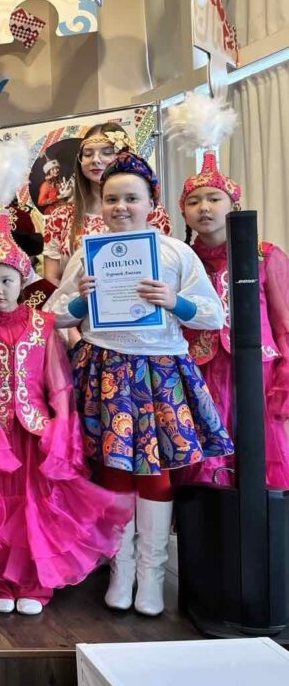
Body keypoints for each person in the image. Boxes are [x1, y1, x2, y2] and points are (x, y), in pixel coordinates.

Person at [47, 152, 232, 617]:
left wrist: (174, 301)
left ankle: (151, 573)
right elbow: (53, 317)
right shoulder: (88, 253)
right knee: (113, 469)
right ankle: (120, 568)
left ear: (151, 202)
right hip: (104, 368)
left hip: (158, 370)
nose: (121, 207)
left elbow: (213, 315)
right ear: (101, 203)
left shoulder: (174, 253)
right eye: (112, 199)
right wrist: (81, 303)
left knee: (154, 469)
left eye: (132, 198)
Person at [0, 211, 132, 616]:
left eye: (6, 281)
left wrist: (62, 428)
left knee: (36, 507)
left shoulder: (44, 323)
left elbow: (58, 382)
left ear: (23, 281)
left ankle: (35, 582)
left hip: (36, 434)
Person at [168, 94, 289, 489]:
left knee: (257, 455)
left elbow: (285, 323)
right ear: (184, 212)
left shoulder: (265, 255)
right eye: (193, 201)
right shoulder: (180, 260)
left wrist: (285, 376)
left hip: (255, 369)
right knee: (204, 457)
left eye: (213, 199)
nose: (204, 207)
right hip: (198, 370)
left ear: (233, 204)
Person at [42, 123, 172, 285]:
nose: (95, 160)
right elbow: (51, 278)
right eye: (88, 154)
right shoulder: (61, 216)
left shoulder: (152, 212)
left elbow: (165, 266)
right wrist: (77, 298)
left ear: (125, 156)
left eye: (107, 152)